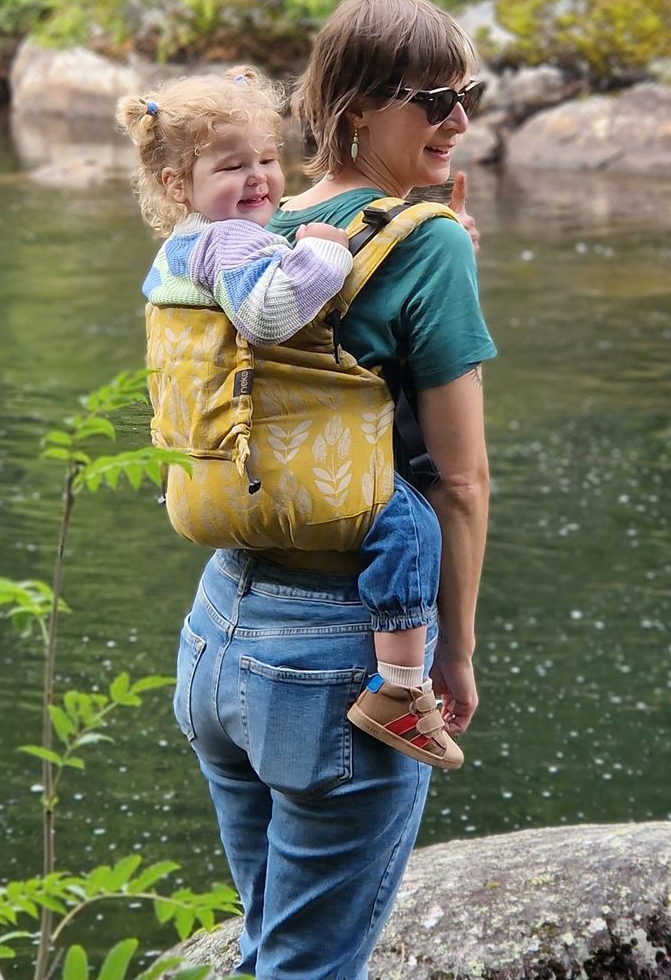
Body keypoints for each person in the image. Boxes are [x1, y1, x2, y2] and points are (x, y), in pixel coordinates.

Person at [168, 0, 493, 980]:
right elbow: (462, 478)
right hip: (338, 660)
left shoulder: (262, 222)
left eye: (468, 94)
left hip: (218, 637)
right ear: (354, 109)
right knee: (307, 967)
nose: (460, 121)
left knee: (271, 945)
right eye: (433, 98)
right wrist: (454, 653)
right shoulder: (424, 240)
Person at [120, 66, 462, 770]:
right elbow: (270, 314)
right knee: (409, 522)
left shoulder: (181, 248)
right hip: (296, 488)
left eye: (269, 160)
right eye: (232, 166)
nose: (260, 182)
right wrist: (323, 252)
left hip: (221, 559)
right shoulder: (233, 242)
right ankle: (399, 685)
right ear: (176, 186)